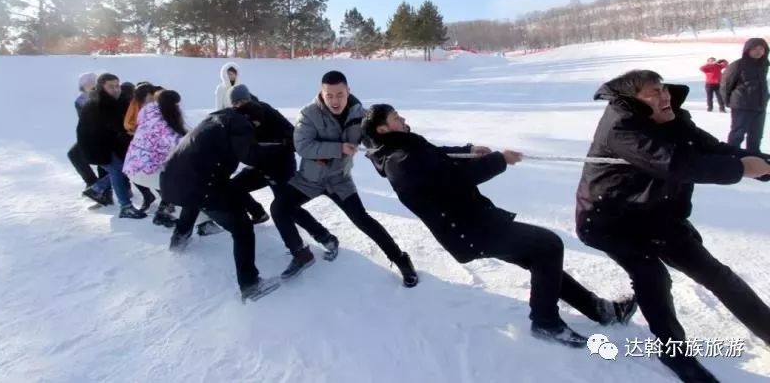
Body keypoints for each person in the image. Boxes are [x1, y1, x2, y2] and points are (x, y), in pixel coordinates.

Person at [362, 104, 635, 348]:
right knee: (549, 245)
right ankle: (545, 322)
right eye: (396, 117)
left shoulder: (402, 149)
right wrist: (499, 160)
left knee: (540, 256)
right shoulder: (402, 161)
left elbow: (436, 157)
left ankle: (598, 311)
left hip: (474, 224)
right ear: (384, 128)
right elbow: (454, 178)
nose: (403, 118)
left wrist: (468, 151)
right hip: (470, 231)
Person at [577, 69, 770, 382]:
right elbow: (678, 165)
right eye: (652, 92)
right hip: (609, 220)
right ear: (632, 99)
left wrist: (762, 164)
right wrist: (740, 169)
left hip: (658, 216)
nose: (664, 96)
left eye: (663, 89)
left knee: (717, 274)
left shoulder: (674, 119)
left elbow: (712, 149)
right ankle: (674, 354)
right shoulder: (622, 127)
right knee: (652, 275)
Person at [269, 71, 417, 287]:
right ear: (321, 93)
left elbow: (377, 138)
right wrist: (338, 148)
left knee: (362, 220)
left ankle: (401, 259)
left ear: (349, 91)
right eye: (329, 95)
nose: (335, 100)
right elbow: (302, 145)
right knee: (279, 207)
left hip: (339, 179)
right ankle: (301, 252)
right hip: (310, 179)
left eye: (340, 94)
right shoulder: (308, 114)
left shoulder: (361, 116)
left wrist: (400, 133)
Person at [160, 96, 280, 302]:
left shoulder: (216, 119)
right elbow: (250, 155)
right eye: (256, 125)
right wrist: (280, 147)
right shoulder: (242, 124)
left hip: (172, 177)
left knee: (194, 197)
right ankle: (250, 284)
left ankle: (179, 239)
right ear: (252, 119)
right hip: (199, 182)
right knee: (242, 228)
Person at [77, 73, 147, 219]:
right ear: (102, 87)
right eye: (111, 86)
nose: (115, 89)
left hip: (107, 144)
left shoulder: (114, 100)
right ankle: (125, 207)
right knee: (118, 170)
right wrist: (132, 131)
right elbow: (116, 125)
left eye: (117, 85)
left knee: (122, 168)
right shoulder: (98, 103)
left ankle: (97, 189)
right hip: (95, 146)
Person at [123, 90, 186, 228]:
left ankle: (163, 214)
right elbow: (180, 144)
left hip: (133, 166)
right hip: (145, 170)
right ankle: (199, 222)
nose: (179, 108)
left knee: (170, 182)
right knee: (180, 185)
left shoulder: (150, 112)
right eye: (177, 105)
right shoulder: (161, 123)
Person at [68, 72, 112, 206]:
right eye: (87, 84)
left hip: (107, 135)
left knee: (103, 159)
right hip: (89, 135)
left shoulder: (104, 96)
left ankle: (104, 193)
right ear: (82, 86)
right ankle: (92, 184)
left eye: (93, 83)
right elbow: (84, 121)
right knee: (73, 154)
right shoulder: (80, 101)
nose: (91, 86)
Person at [722, 38, 769, 153]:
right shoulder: (738, 65)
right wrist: (727, 101)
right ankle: (732, 157)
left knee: (756, 134)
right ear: (747, 50)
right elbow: (726, 84)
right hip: (741, 106)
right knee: (738, 134)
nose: (758, 51)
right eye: (754, 49)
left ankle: (754, 156)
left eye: (761, 49)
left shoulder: (764, 65)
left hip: (760, 106)